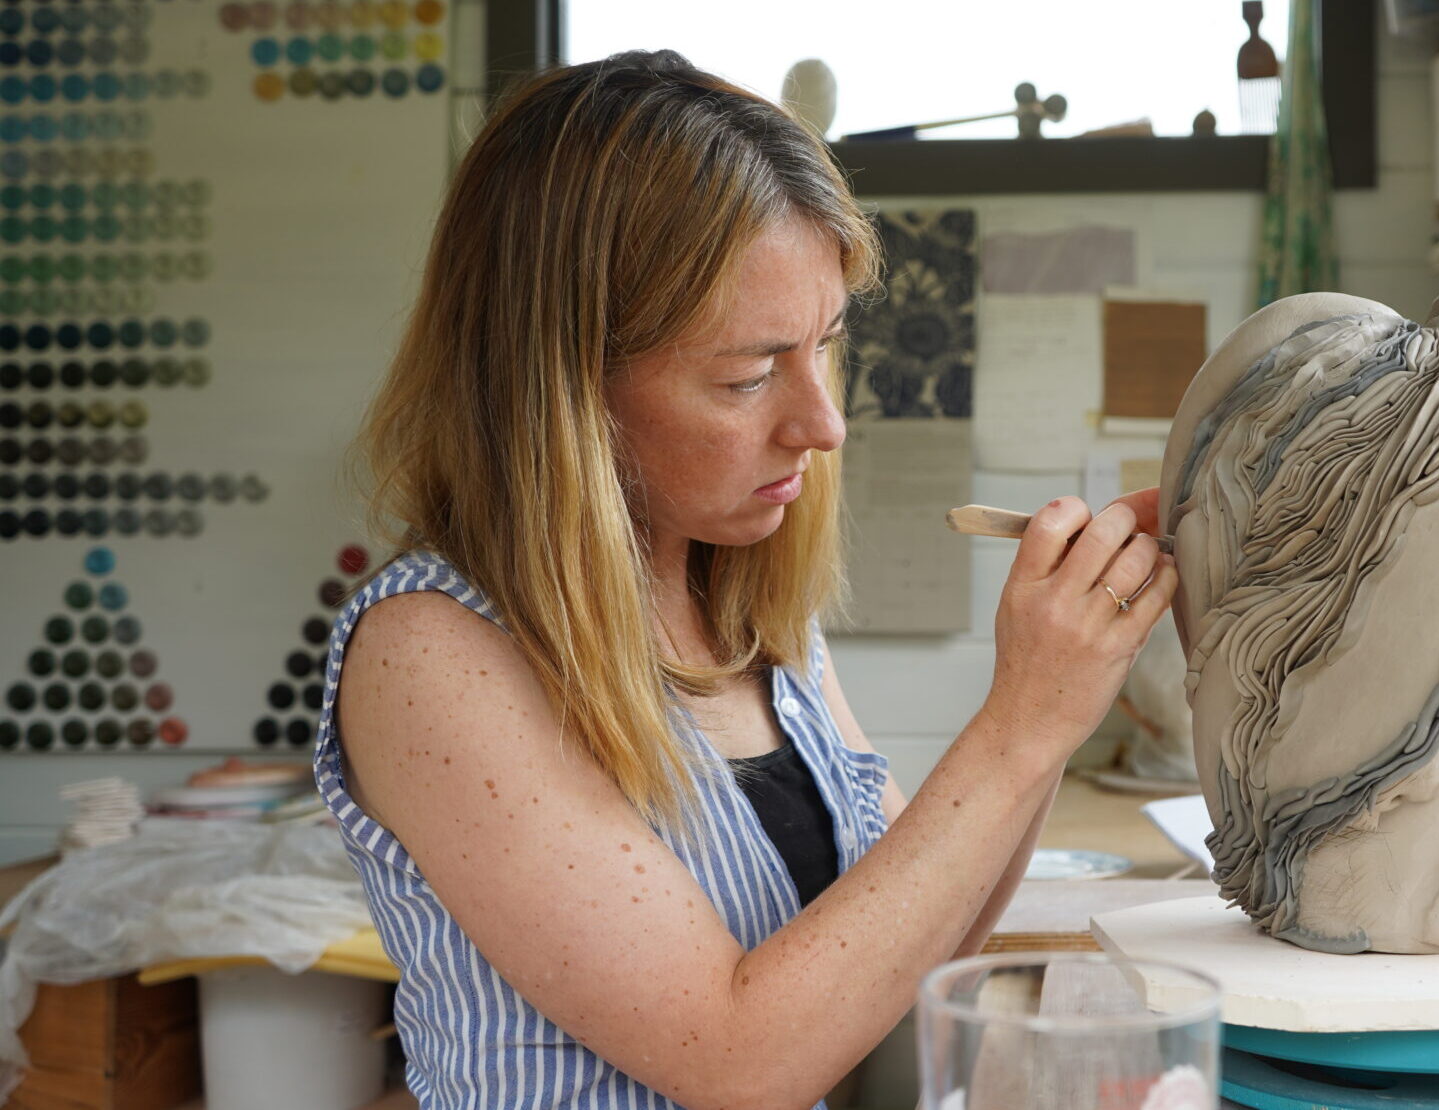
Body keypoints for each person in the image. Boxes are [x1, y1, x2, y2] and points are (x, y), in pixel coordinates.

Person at [319, 50, 1176, 1110]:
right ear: (564, 386)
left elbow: (935, 929)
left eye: (824, 346)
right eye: (747, 373)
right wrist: (1023, 720)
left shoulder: (750, 617)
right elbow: (737, 1061)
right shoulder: (432, 653)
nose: (821, 423)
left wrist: (1065, 694)